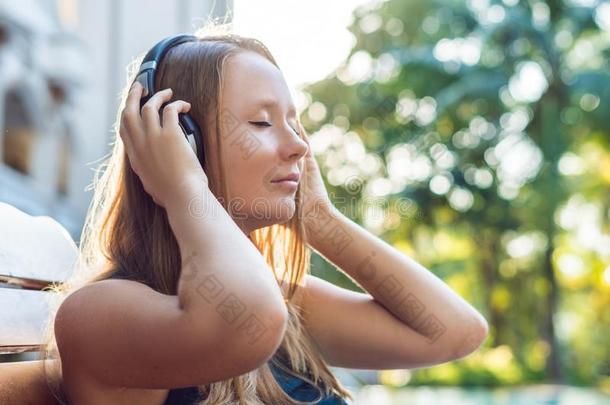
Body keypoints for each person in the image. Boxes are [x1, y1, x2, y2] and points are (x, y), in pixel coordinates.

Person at [41, 23, 489, 405]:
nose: (299, 146)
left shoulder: (283, 301)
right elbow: (248, 325)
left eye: (294, 124)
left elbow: (454, 332)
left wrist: (322, 221)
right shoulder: (97, 313)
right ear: (182, 141)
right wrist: (185, 190)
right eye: (261, 123)